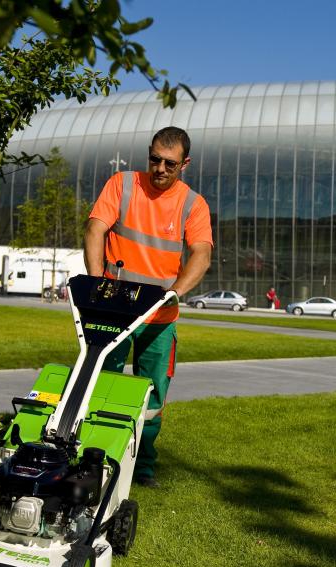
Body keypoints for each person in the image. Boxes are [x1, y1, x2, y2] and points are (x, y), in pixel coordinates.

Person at [84, 126, 213, 488]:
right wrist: (97, 283)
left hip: (161, 316)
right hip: (116, 310)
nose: (160, 168)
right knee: (102, 383)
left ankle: (142, 467)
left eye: (169, 164)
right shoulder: (123, 184)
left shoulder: (193, 204)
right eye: (155, 159)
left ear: (184, 164)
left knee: (153, 396)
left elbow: (201, 254)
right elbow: (95, 229)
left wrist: (176, 291)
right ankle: (92, 454)